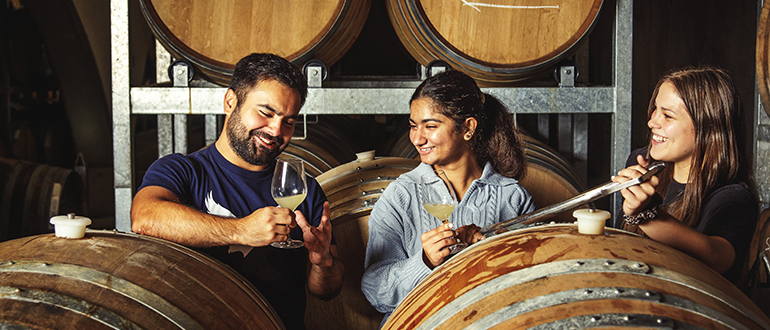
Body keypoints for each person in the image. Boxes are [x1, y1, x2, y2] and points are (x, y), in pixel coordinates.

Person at [131, 53, 344, 329]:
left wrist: (322, 263)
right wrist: (243, 231)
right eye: (266, 113)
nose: (276, 130)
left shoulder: (305, 190)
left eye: (288, 121)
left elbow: (326, 291)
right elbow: (145, 218)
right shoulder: (182, 170)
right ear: (230, 102)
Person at [361, 69, 536, 326]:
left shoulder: (512, 197)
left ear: (467, 128)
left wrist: (490, 253)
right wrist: (425, 262)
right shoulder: (402, 194)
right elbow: (375, 292)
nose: (417, 138)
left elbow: (534, 284)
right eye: (413, 125)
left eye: (430, 126)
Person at [613, 67, 757, 284]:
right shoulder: (643, 163)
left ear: (708, 127)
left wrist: (646, 214)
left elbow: (717, 258)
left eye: (668, 115)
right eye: (655, 109)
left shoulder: (733, 198)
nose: (652, 122)